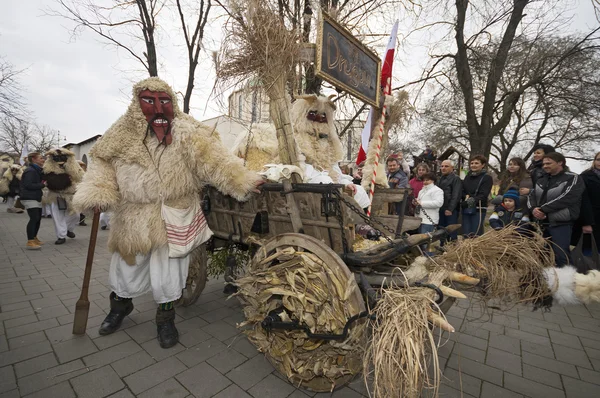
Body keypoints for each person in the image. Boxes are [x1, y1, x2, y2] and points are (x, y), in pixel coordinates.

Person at [73, 77, 264, 349]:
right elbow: (102, 162)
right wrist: (97, 191)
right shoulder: (121, 132)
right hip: (133, 215)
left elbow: (215, 161)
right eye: (149, 102)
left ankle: (165, 319)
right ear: (137, 105)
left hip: (175, 212)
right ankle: (120, 308)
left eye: (164, 101)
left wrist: (242, 180)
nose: (158, 109)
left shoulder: (189, 131)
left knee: (170, 273)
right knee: (127, 267)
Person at [527, 152, 588, 267]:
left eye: (549, 163)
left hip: (561, 223)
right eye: (544, 164)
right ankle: (539, 282)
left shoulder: (573, 178)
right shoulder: (541, 179)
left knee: (561, 256)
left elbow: (568, 197)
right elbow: (531, 196)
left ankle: (565, 283)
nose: (545, 166)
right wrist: (534, 209)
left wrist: (543, 209)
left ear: (560, 162)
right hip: (541, 223)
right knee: (539, 255)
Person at [43, 148, 84, 245]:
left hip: (70, 195)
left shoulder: (73, 166)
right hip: (55, 195)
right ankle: (61, 236)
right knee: (58, 216)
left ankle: (68, 229)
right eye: (56, 157)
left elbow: (80, 176)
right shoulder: (48, 167)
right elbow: (48, 179)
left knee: (76, 215)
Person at [571, 151, 599, 256]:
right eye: (598, 159)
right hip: (591, 219)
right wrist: (586, 222)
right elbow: (582, 200)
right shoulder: (585, 176)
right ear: (594, 161)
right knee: (589, 251)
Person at [461, 155, 493, 237]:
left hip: (479, 208)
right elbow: (463, 190)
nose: (473, 165)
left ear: (482, 165)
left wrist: (469, 201)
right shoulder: (468, 176)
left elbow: (483, 194)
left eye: (476, 163)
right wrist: (464, 198)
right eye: (472, 163)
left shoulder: (487, 178)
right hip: (467, 208)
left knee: (476, 233)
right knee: (466, 232)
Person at [20, 153, 46, 250]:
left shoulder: (36, 170)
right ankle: (30, 241)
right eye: (40, 158)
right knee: (34, 218)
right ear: (34, 159)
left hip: (35, 197)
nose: (42, 159)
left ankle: (34, 238)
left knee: (38, 218)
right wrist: (43, 185)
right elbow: (28, 185)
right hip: (29, 197)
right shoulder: (30, 171)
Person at [437, 160, 462, 244]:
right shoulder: (440, 179)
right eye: (442, 166)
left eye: (446, 166)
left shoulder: (456, 178)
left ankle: (453, 249)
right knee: (441, 230)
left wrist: (450, 209)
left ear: (452, 168)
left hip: (450, 209)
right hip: (441, 208)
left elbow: (456, 195)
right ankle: (442, 247)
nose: (443, 168)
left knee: (451, 230)